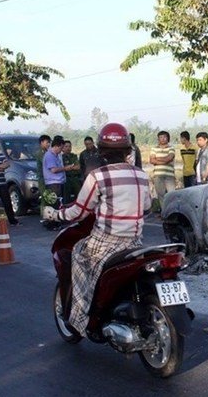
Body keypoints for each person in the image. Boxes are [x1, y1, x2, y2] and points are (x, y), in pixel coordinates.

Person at [41, 123, 152, 338]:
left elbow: (79, 212)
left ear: (101, 151)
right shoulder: (141, 175)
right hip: (135, 243)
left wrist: (54, 215)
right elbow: (147, 207)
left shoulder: (98, 176)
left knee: (79, 254)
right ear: (128, 150)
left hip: (105, 242)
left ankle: (80, 320)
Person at [149, 130, 176, 209]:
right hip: (158, 175)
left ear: (168, 138)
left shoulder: (171, 148)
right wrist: (165, 160)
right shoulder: (154, 148)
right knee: (161, 195)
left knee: (172, 195)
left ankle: (172, 212)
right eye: (160, 137)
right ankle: (164, 212)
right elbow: (151, 160)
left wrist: (157, 159)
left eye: (164, 137)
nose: (163, 139)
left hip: (169, 176)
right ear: (158, 139)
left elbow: (169, 158)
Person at [43, 138, 70, 204]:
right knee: (56, 205)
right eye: (61, 148)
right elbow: (53, 170)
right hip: (53, 185)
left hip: (59, 183)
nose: (61, 151)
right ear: (56, 146)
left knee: (61, 203)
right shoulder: (49, 155)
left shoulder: (56, 155)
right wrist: (65, 168)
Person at [35, 134, 51, 211]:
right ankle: (44, 216)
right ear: (41, 142)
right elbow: (47, 163)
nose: (48, 144)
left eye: (49, 143)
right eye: (47, 142)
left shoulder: (48, 152)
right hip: (43, 179)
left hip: (48, 179)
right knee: (45, 198)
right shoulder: (40, 153)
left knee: (50, 198)